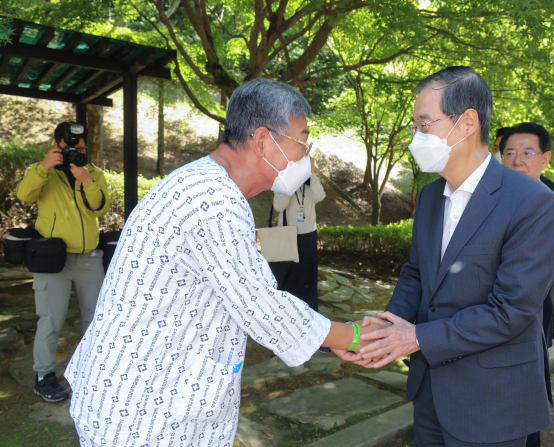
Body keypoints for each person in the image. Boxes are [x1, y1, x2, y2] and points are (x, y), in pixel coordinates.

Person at [64, 78, 382, 447]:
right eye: (302, 142)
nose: (306, 156)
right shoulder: (214, 199)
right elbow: (260, 303)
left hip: (145, 389)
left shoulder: (202, 182)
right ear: (263, 140)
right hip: (145, 406)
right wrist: (351, 335)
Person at [348, 66, 554, 446]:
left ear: (467, 124)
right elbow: (416, 273)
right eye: (413, 127)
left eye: (424, 124)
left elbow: (510, 310)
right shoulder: (432, 197)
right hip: (430, 393)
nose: (415, 137)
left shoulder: (534, 203)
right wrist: (387, 325)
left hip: (493, 401)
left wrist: (414, 339)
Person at [500, 122, 554, 447]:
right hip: (480, 324)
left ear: (545, 158)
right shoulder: (488, 202)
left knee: (526, 411)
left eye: (526, 153)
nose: (516, 160)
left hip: (531, 326)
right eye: (509, 153)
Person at [16, 122, 111, 403]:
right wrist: (44, 167)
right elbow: (24, 195)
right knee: (51, 320)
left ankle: (96, 370)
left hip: (90, 259)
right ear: (58, 145)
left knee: (96, 320)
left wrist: (87, 181)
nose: (78, 154)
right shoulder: (42, 172)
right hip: (52, 261)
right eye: (71, 149)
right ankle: (44, 376)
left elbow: (101, 207)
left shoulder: (93, 173)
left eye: (82, 149)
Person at [271, 160, 326, 311]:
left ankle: (308, 313)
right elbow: (279, 206)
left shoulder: (311, 183)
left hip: (307, 236)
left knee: (307, 279)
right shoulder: (282, 181)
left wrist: (312, 174)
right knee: (284, 277)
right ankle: (283, 311)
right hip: (286, 235)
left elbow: (320, 196)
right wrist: (288, 182)